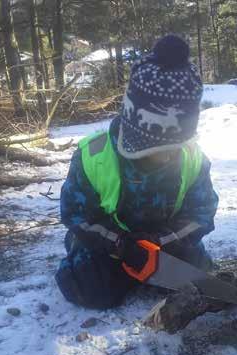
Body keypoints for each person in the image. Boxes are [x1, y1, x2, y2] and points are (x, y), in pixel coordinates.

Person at [56, 35, 219, 310]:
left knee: (197, 279)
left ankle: (155, 269)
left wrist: (162, 242)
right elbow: (75, 214)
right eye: (158, 147)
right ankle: (84, 255)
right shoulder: (94, 156)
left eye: (174, 146)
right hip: (110, 243)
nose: (167, 155)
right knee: (89, 288)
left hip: (165, 243)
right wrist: (119, 244)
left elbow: (201, 212)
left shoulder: (192, 158)